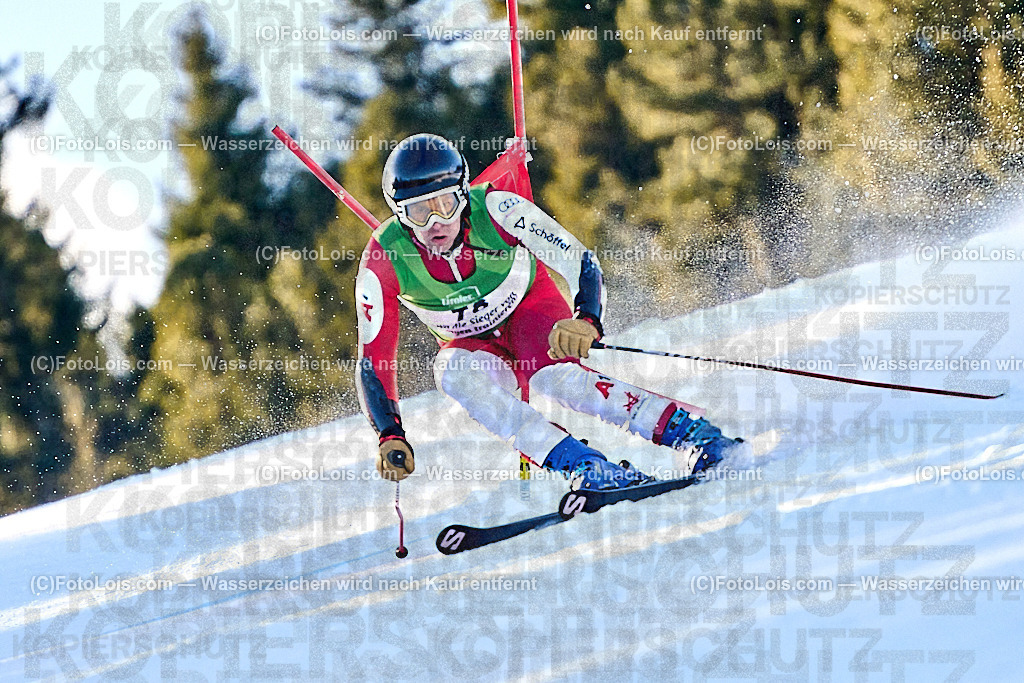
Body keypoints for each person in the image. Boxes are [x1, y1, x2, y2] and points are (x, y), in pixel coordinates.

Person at [355, 133, 739, 487]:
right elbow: (373, 359)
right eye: (418, 212)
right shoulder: (384, 257)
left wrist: (587, 319)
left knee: (555, 379)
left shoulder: (499, 208)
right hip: (474, 349)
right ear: (399, 215)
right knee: (451, 372)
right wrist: (390, 433)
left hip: (532, 314)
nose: (436, 222)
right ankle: (585, 466)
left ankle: (692, 434)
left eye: (446, 204)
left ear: (463, 194)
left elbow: (580, 261)